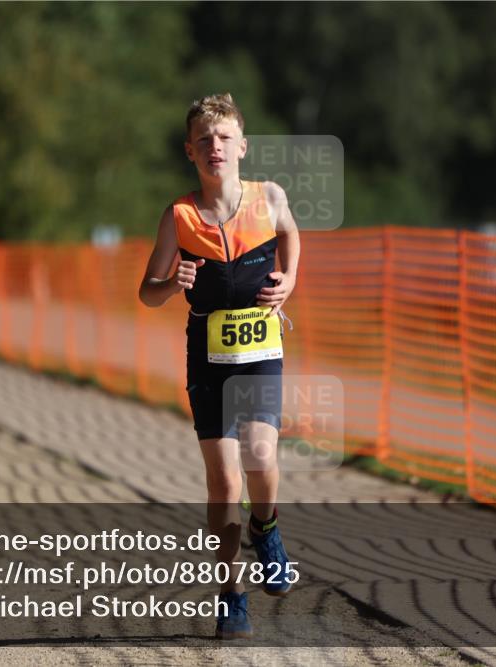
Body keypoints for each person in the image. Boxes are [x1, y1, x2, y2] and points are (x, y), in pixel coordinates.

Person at [138, 93, 301, 639]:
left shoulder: (268, 197)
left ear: (242, 146)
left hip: (261, 351)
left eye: (225, 138)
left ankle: (268, 527)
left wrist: (290, 279)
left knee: (261, 454)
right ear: (190, 151)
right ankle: (231, 594)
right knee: (224, 480)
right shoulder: (179, 216)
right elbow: (147, 292)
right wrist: (171, 283)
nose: (216, 148)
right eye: (205, 141)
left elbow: (291, 233)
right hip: (208, 359)